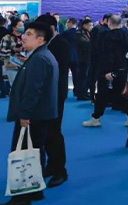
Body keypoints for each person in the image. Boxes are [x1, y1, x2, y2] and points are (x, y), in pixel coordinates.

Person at [4, 22, 58, 205]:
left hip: (33, 115)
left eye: (28, 34)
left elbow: (33, 90)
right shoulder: (42, 55)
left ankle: (22, 197)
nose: (23, 36)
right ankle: (35, 190)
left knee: (25, 154)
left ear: (40, 39)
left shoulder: (39, 59)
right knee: (35, 152)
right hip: (40, 114)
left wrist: (25, 114)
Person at [35, 14, 70, 188]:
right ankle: (51, 165)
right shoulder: (47, 44)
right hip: (46, 94)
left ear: (50, 28)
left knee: (54, 132)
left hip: (55, 94)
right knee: (46, 132)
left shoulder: (60, 44)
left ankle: (60, 171)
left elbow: (59, 71)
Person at [83, 15, 128, 127]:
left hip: (107, 71)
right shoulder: (127, 35)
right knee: (122, 93)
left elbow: (106, 54)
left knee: (102, 94)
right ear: (121, 23)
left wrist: (107, 71)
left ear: (109, 23)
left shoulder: (106, 36)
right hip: (124, 69)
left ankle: (96, 118)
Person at [89, 14, 111, 101]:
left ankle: (95, 96)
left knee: (96, 78)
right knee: (97, 78)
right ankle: (95, 96)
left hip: (96, 57)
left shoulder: (98, 29)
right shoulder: (100, 30)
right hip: (99, 58)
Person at [0, 18, 25, 91]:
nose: (22, 27)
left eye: (23, 25)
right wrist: (13, 50)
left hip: (23, 65)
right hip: (12, 66)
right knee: (15, 87)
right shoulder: (7, 38)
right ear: (14, 27)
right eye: (20, 25)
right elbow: (2, 52)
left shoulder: (24, 37)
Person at [74, 19, 93, 101]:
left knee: (86, 76)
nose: (91, 27)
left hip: (87, 58)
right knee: (83, 76)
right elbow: (84, 43)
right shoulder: (79, 33)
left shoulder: (88, 33)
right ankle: (81, 94)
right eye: (90, 25)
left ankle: (84, 92)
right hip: (82, 59)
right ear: (84, 25)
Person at [61, 18, 80, 101]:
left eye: (67, 23)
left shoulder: (65, 33)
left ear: (71, 23)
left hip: (66, 56)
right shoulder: (79, 33)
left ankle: (64, 92)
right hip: (77, 56)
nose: (66, 24)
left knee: (64, 75)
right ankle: (77, 91)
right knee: (76, 75)